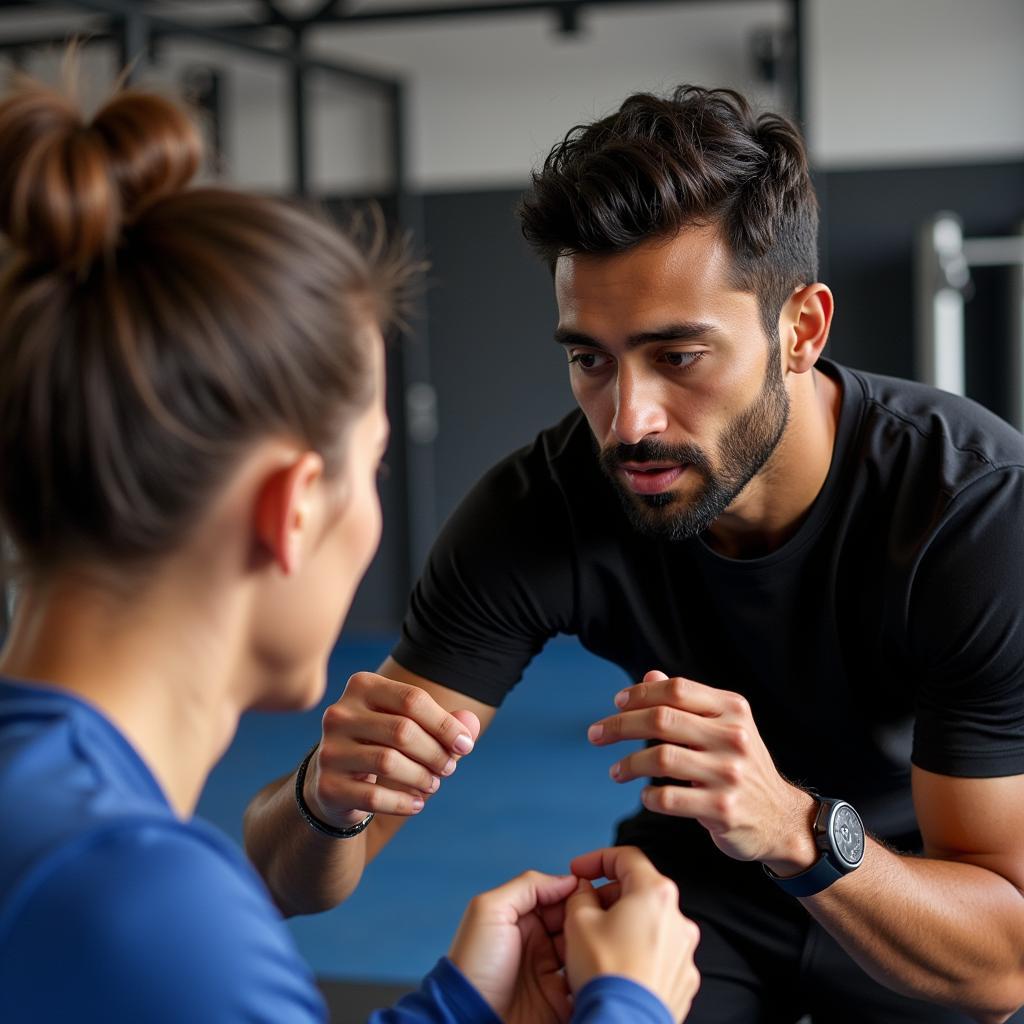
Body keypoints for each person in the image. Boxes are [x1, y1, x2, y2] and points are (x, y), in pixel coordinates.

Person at [244, 85, 1024, 1024]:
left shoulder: (971, 512)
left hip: (903, 882)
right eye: (592, 360)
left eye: (678, 357)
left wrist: (795, 826)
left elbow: (1002, 967)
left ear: (801, 332)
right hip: (697, 896)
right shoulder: (542, 508)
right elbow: (287, 887)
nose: (629, 421)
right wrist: (325, 800)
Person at [0, 69, 702, 1024]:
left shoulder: (63, 833)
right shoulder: (145, 905)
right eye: (369, 466)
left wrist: (457, 1010)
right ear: (291, 508)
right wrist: (629, 1005)